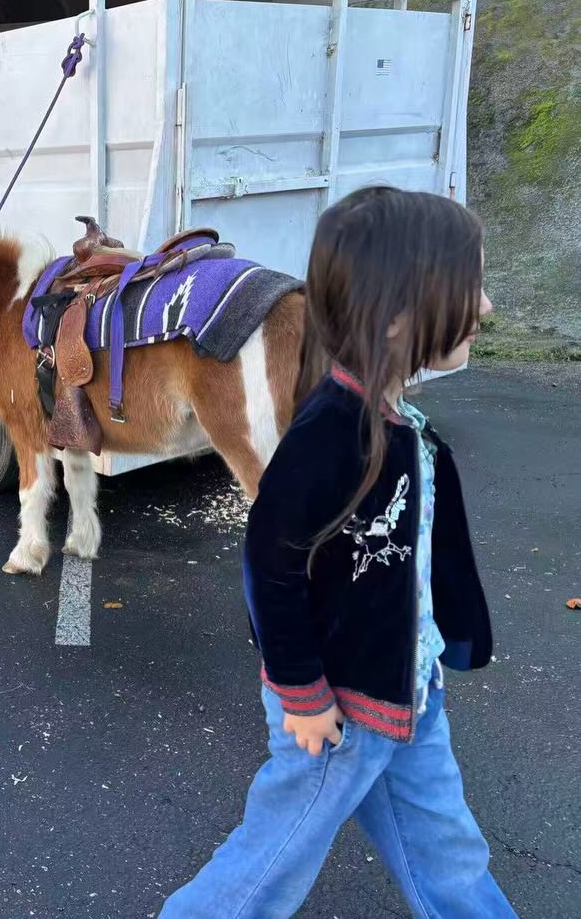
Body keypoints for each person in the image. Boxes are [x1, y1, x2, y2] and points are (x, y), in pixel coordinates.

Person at [160, 187, 515, 918]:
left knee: (448, 857)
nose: (485, 306)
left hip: (408, 693)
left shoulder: (395, 420)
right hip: (339, 716)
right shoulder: (330, 433)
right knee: (268, 866)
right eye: (469, 285)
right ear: (397, 312)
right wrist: (303, 694)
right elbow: (270, 566)